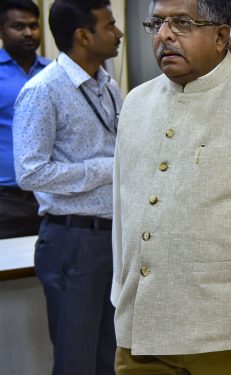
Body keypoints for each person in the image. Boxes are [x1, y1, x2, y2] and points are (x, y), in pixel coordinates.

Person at [111, 0, 231, 373]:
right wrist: (122, 298)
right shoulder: (135, 103)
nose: (165, 35)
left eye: (182, 23)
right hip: (142, 332)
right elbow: (123, 210)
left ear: (221, 36)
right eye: (157, 23)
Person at [13, 0, 123, 373]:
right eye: (110, 26)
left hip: (110, 238)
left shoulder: (108, 85)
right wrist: (103, 169)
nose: (119, 33)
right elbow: (29, 172)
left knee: (111, 358)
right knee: (76, 361)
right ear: (83, 36)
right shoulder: (43, 90)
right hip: (72, 241)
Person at [0, 0, 49, 239]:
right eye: (18, 27)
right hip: (5, 199)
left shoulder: (54, 73)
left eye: (33, 26)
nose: (29, 33)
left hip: (49, 196)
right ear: (1, 30)